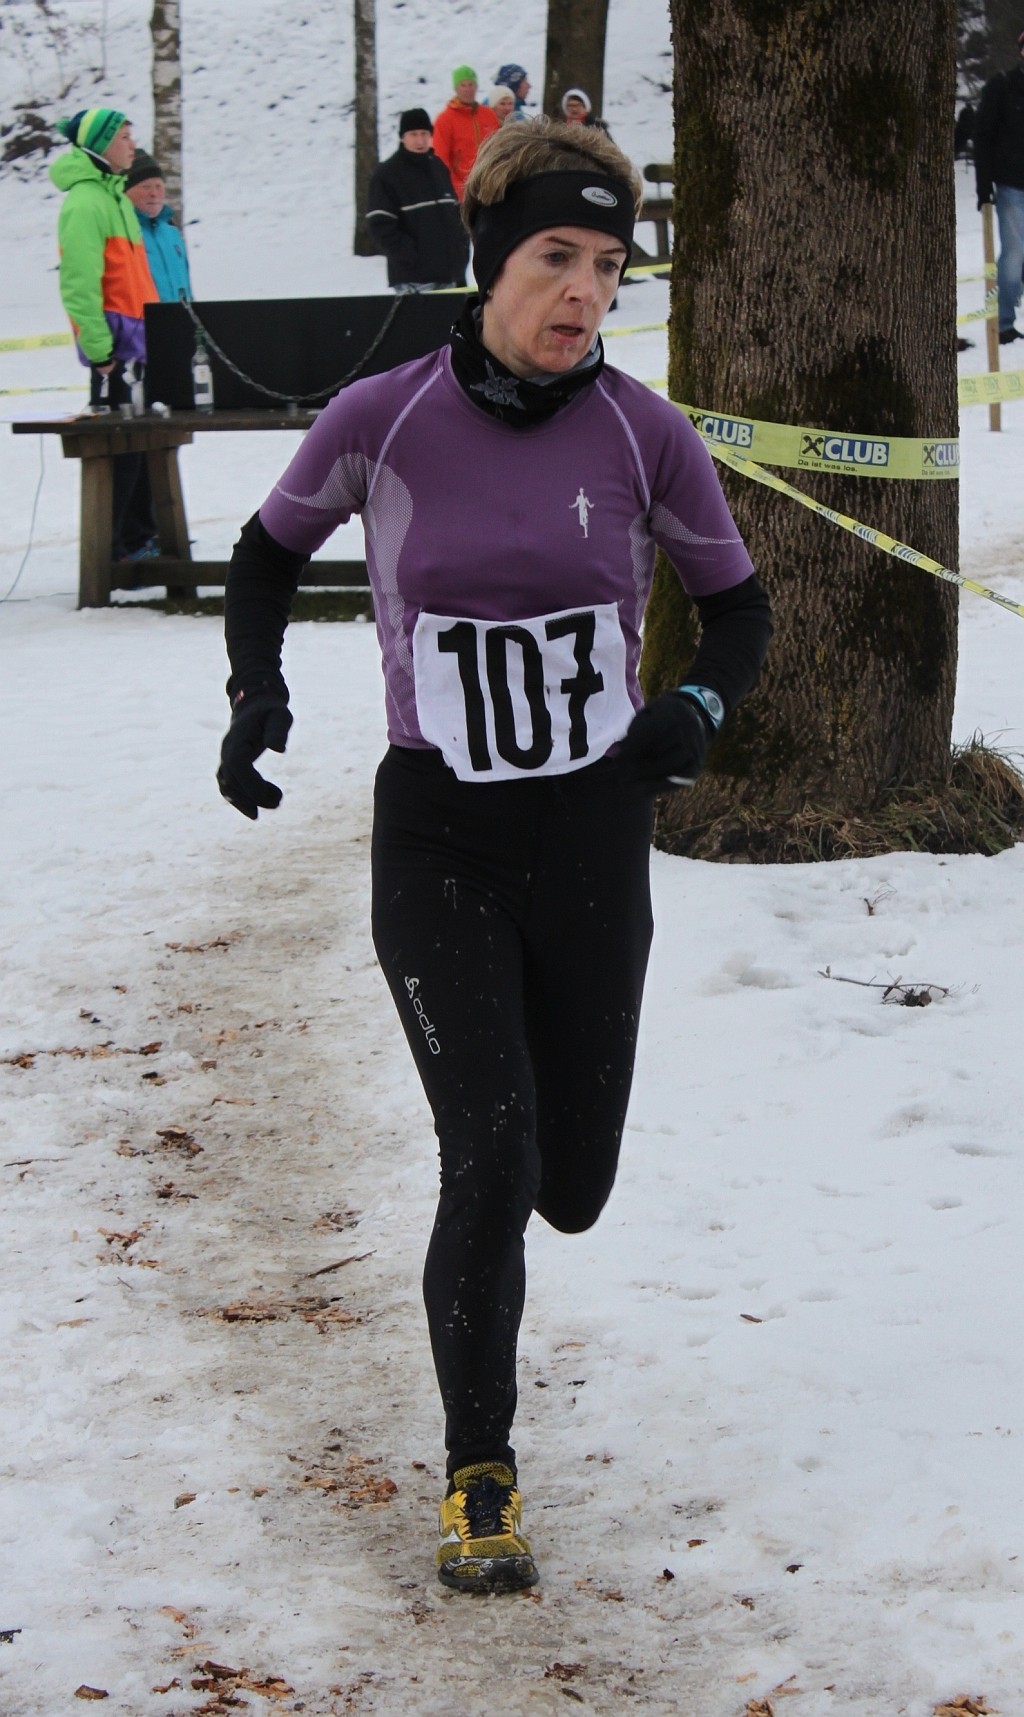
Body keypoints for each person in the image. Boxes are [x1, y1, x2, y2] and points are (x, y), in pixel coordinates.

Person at [216, 116, 772, 1596]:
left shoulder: (644, 432)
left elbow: (739, 610)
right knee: (495, 1149)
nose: (584, 292)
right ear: (490, 261)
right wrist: (256, 692)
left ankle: (511, 1210)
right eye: (554, 258)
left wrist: (696, 708)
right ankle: (481, 1472)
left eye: (609, 267)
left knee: (570, 1184)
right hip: (440, 833)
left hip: (591, 834)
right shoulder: (383, 416)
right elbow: (266, 553)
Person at [51, 107, 159, 561]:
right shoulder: (85, 203)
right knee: (119, 450)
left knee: (147, 445)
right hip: (115, 351)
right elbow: (78, 286)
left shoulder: (114, 197)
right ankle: (115, 550)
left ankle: (142, 537)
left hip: (139, 345)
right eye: (124, 137)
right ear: (101, 143)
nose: (133, 145)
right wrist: (100, 352)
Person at [366, 109, 468, 292]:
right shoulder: (387, 174)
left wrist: (461, 250)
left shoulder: (439, 168)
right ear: (402, 137)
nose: (420, 140)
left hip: (451, 274)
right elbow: (380, 225)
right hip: (414, 278)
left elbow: (455, 215)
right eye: (413, 134)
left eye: (424, 134)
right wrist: (411, 255)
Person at [974, 27, 1024, 344]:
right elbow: (983, 136)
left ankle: (1013, 293)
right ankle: (1004, 323)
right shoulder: (1002, 86)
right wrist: (983, 187)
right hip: (1011, 185)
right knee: (1014, 253)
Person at [125, 149, 192, 303]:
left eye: (158, 186)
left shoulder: (171, 231)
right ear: (126, 191)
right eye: (146, 187)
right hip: (141, 318)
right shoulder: (122, 231)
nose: (154, 193)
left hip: (179, 317)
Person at [432, 66, 500, 200]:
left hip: (489, 188)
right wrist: (459, 190)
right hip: (461, 193)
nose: (468, 89)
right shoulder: (445, 120)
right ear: (456, 88)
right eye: (463, 85)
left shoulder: (489, 115)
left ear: (476, 87)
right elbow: (440, 160)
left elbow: (499, 149)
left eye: (471, 84)